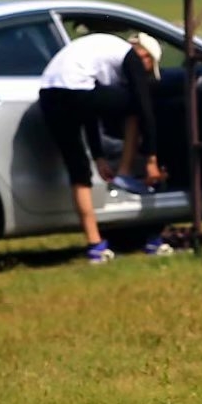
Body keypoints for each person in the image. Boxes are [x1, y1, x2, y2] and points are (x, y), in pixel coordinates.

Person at [36, 28, 168, 264]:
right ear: (145, 57)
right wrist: (151, 159)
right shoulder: (131, 56)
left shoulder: (100, 51)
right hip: (75, 91)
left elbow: (88, 112)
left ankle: (95, 246)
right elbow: (145, 109)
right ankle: (125, 173)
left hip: (48, 95)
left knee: (78, 172)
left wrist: (98, 156)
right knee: (136, 107)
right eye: (149, 70)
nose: (145, 75)